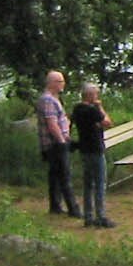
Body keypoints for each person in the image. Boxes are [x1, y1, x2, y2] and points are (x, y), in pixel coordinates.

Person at [35, 70, 80, 219]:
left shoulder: (54, 99)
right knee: (64, 176)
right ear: (52, 83)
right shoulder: (48, 100)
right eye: (60, 82)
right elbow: (51, 123)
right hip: (55, 144)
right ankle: (73, 209)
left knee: (54, 176)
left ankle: (55, 206)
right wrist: (62, 141)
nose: (63, 84)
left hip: (57, 142)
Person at [71, 82, 114, 228]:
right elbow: (107, 122)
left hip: (84, 150)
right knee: (100, 184)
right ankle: (101, 216)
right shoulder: (92, 110)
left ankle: (88, 216)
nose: (97, 96)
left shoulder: (77, 109)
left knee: (88, 184)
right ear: (90, 95)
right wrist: (99, 106)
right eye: (96, 94)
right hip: (96, 149)